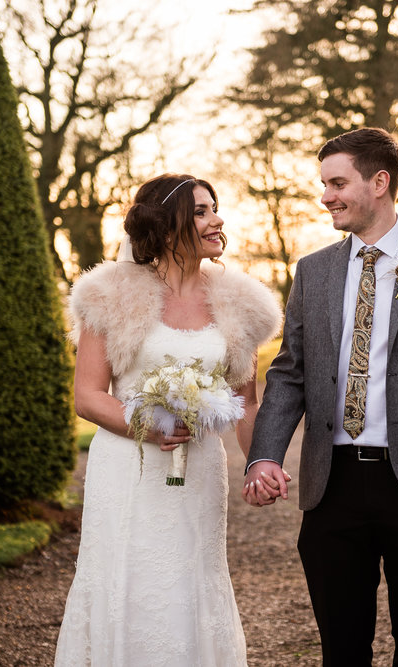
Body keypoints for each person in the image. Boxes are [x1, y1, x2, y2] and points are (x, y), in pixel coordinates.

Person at [243, 128, 398, 666]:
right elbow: (289, 374)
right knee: (341, 648)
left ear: (380, 182)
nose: (326, 196)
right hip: (332, 487)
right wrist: (264, 456)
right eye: (323, 184)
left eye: (337, 182)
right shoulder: (313, 271)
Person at [55, 174, 281, 666]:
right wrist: (145, 422)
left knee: (193, 578)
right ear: (165, 224)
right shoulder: (108, 294)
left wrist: (259, 462)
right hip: (127, 469)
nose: (217, 219)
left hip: (199, 469)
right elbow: (88, 396)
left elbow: (246, 402)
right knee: (125, 576)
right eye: (201, 211)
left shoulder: (241, 304)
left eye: (214, 208)